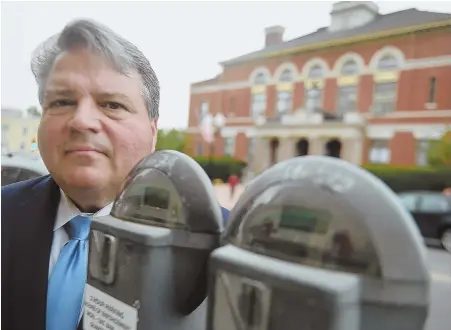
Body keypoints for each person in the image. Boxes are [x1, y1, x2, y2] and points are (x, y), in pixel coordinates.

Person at [1, 19, 229, 330]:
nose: (82, 121)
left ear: (152, 132)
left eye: (112, 104)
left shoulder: (225, 246)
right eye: (62, 102)